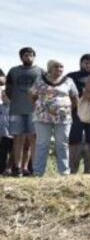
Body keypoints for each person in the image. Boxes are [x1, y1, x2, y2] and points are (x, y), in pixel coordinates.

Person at [29, 59, 78, 176]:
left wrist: (67, 109)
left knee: (62, 144)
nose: (59, 69)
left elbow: (75, 97)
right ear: (49, 68)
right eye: (56, 67)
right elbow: (31, 95)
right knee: (42, 144)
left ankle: (64, 172)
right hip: (42, 117)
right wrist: (40, 107)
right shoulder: (40, 79)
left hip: (63, 118)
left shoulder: (69, 81)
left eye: (61, 67)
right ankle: (38, 172)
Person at [5, 47, 43, 177]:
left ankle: (35, 168)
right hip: (16, 109)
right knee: (18, 138)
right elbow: (8, 89)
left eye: (31, 55)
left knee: (33, 138)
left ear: (34, 57)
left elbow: (44, 90)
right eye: (26, 55)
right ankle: (17, 168)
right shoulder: (13, 71)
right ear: (21, 57)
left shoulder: (41, 71)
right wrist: (17, 100)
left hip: (35, 110)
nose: (29, 57)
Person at [66, 53, 90, 174]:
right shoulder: (71, 76)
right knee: (74, 139)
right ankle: (72, 170)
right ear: (81, 63)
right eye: (86, 63)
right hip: (75, 112)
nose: (88, 65)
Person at [0, 72, 12, 174]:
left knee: (13, 153)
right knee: (2, 154)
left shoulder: (15, 108)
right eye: (2, 96)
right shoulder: (0, 107)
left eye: (5, 96)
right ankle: (1, 169)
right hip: (3, 135)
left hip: (13, 135)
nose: (3, 97)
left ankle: (11, 169)